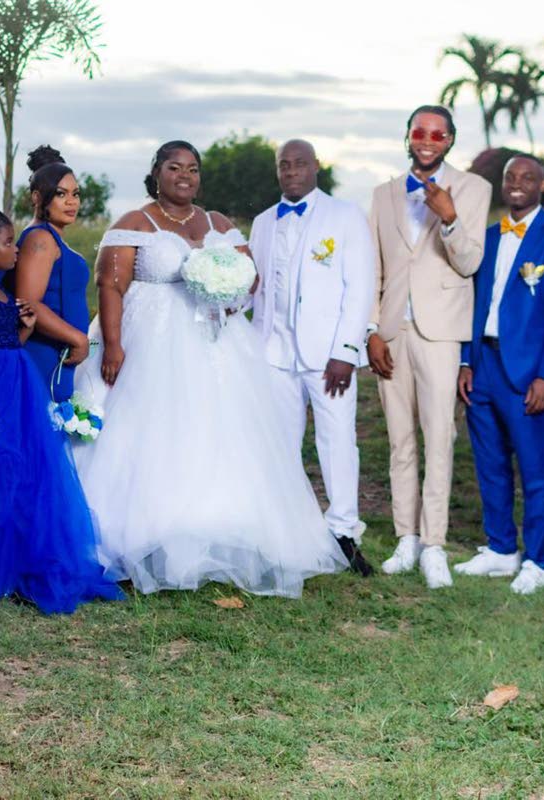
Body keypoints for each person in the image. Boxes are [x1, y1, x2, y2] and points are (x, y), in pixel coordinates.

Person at [72, 141, 348, 597]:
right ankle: (146, 538)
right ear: (156, 172)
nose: (185, 175)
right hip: (153, 347)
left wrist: (229, 292)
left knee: (222, 434)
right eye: (174, 167)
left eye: (193, 169)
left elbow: (250, 278)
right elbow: (111, 286)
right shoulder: (133, 223)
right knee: (158, 434)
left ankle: (221, 534)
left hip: (219, 345)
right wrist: (115, 345)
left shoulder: (218, 223)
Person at [0, 195, 123, 611]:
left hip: (16, 389)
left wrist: (22, 330)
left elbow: (7, 344)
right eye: (9, 242)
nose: (16, 249)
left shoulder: (3, 296)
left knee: (17, 470)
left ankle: (9, 567)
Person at [367, 105, 492, 588]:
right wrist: (373, 329)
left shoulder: (474, 190)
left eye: (437, 134)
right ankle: (406, 538)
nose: (427, 140)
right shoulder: (382, 195)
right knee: (399, 439)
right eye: (419, 131)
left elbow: (468, 264)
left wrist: (450, 219)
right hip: (394, 330)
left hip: (441, 332)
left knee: (440, 437)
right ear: (408, 137)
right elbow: (376, 268)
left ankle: (434, 543)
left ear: (450, 141)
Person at [248, 139, 376, 576]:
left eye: (299, 164)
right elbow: (258, 288)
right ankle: (286, 532)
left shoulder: (345, 216)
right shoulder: (264, 222)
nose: (291, 171)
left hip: (327, 357)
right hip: (274, 352)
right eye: (283, 165)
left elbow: (360, 288)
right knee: (280, 444)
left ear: (316, 167)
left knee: (337, 441)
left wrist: (345, 351)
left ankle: (344, 533)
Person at [454, 156, 544, 594]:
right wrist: (466, 361)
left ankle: (537, 560)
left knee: (534, 468)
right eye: (511, 177)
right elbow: (473, 304)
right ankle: (501, 548)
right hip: (483, 365)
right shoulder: (489, 237)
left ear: (543, 184)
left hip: (527, 371)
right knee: (489, 463)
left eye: (528, 177)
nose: (518, 184)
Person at [10, 146, 91, 403]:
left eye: (76, 194)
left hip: (59, 354)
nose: (72, 202)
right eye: (61, 194)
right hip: (42, 352)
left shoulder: (51, 236)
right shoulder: (40, 239)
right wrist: (77, 338)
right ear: (37, 197)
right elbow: (28, 303)